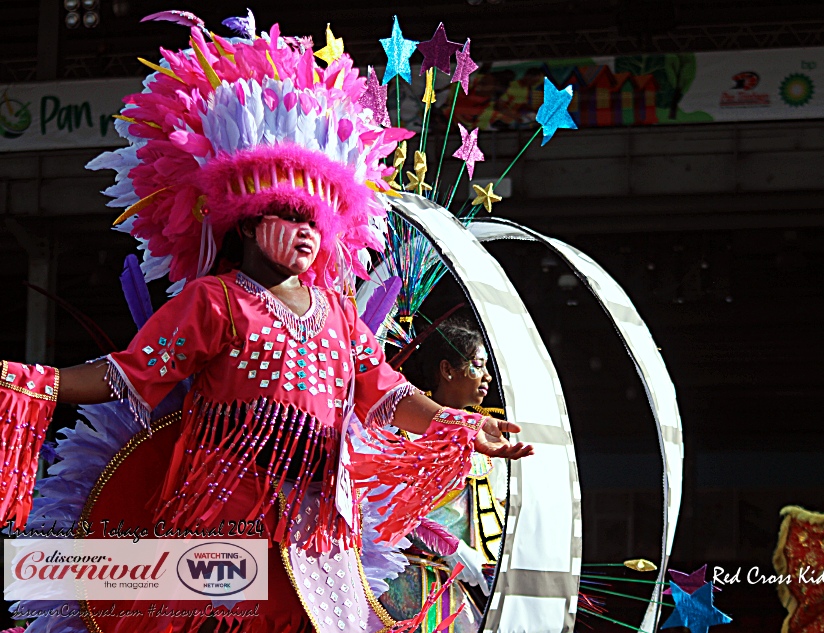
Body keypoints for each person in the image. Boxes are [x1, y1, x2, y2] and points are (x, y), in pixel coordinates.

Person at [0, 15, 532, 633]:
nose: (306, 230)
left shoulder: (337, 311)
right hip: (226, 519)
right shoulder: (216, 301)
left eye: (316, 217)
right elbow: (130, 376)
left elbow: (387, 394)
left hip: (319, 533)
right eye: (286, 213)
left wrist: (460, 425)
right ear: (246, 222)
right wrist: (33, 385)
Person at [378, 316, 508, 631]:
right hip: (408, 575)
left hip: (467, 582)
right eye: (478, 366)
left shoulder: (489, 438)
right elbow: (387, 506)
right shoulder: (400, 432)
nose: (488, 377)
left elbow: (498, 511)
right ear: (447, 370)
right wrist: (451, 547)